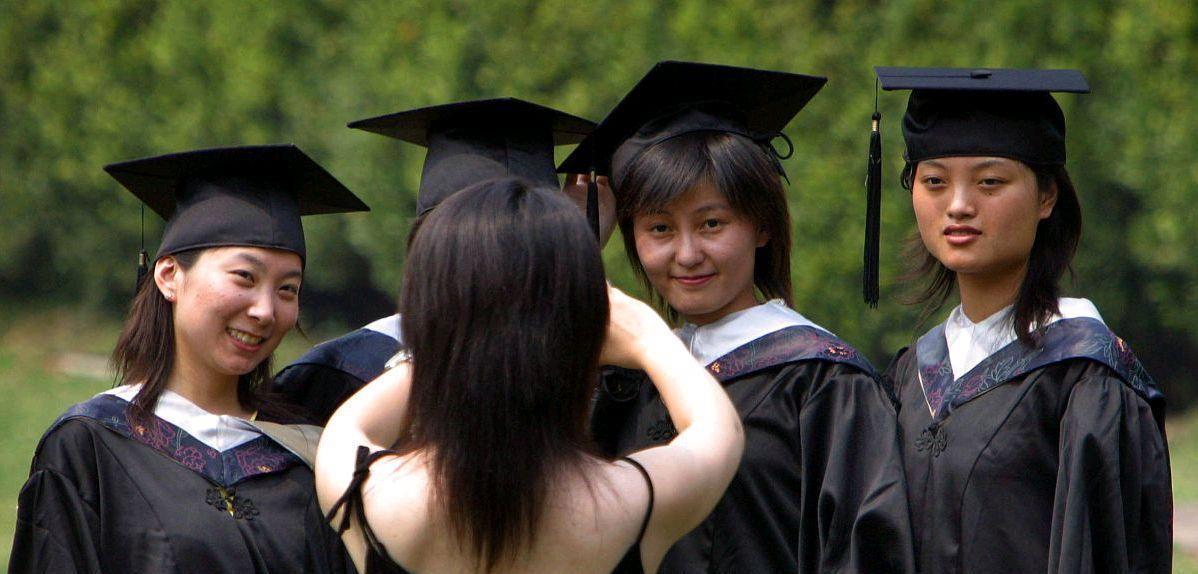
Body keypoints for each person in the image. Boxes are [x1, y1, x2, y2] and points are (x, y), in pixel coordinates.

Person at [562, 60, 915, 573]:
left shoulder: (823, 382)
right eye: (659, 229)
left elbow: (868, 554)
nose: (687, 254)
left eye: (711, 223)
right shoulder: (623, 378)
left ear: (762, 226)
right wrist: (568, 251)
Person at [315, 176, 744, 574]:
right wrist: (646, 335)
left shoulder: (371, 496)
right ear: (587, 328)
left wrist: (460, 329)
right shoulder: (630, 503)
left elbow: (350, 423)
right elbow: (716, 428)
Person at [8, 144, 369, 573]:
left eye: (287, 289)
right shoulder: (90, 446)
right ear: (168, 276)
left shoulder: (310, 454)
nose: (265, 310)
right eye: (244, 277)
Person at [875, 67, 1172, 573]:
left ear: (1047, 197)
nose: (958, 206)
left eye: (990, 182)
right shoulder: (912, 374)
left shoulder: (1084, 376)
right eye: (934, 182)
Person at [274, 98, 597, 425]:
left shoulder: (598, 375)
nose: (494, 269)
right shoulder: (337, 374)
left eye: (522, 251)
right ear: (422, 250)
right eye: (465, 247)